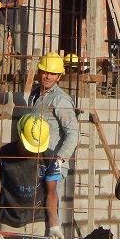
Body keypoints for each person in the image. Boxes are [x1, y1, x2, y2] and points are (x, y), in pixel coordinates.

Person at [28, 53, 79, 182]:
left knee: (51, 201)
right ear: (39, 72)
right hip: (35, 164)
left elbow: (73, 134)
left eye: (53, 73)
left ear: (59, 77)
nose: (48, 76)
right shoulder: (34, 95)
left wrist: (59, 160)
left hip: (52, 167)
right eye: (45, 72)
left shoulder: (60, 99)